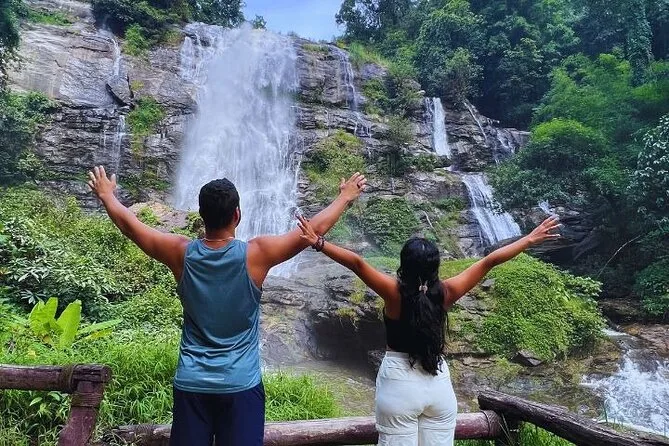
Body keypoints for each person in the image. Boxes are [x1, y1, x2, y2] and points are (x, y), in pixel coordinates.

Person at [86, 166, 367, 446]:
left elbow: (131, 227)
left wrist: (107, 196)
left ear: (201, 215)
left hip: (192, 383)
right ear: (237, 215)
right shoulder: (256, 254)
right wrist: (344, 197)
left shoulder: (180, 253)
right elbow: (312, 231)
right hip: (241, 384)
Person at [296, 214, 561, 446]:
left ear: (404, 264)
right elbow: (489, 261)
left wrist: (318, 242)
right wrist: (529, 240)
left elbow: (357, 263)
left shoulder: (393, 292)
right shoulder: (447, 292)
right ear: (435, 266)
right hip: (438, 384)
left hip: (398, 385)